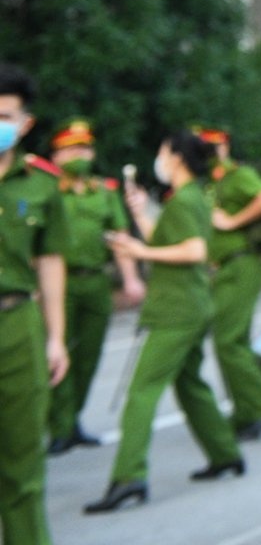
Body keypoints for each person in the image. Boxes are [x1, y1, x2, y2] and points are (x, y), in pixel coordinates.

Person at [86, 130, 244, 514]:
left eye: (161, 149)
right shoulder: (188, 198)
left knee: (141, 392)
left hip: (177, 310)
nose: (159, 157)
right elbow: (167, 240)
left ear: (175, 156)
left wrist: (139, 249)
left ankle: (129, 477)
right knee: (190, 384)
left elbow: (195, 249)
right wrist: (140, 213)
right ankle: (225, 454)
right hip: (189, 305)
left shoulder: (186, 199)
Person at [0, 67, 68, 545]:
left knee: (22, 469)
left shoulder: (42, 184)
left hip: (17, 324)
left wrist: (56, 338)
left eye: (4, 115)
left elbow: (50, 263)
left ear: (24, 124)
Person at [45, 119, 143, 454]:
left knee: (88, 355)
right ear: (56, 156)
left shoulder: (104, 191)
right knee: (59, 354)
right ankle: (58, 425)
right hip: (58, 285)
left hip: (95, 282)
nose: (80, 154)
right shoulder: (47, 190)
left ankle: (72, 420)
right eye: (72, 149)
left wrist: (130, 277)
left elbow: (119, 237)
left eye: (85, 148)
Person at [196, 126, 261, 439]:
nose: (211, 154)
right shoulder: (206, 184)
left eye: (216, 147)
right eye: (205, 148)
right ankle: (247, 412)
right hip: (221, 269)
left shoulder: (237, 175)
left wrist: (233, 221)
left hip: (241, 263)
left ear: (226, 148)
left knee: (227, 341)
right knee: (234, 342)